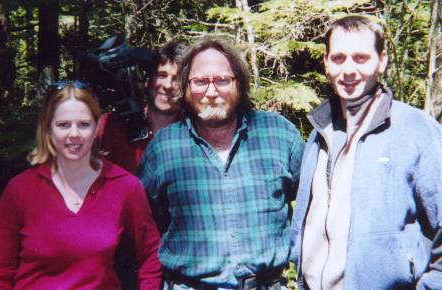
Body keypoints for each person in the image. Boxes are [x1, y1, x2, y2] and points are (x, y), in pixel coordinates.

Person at [137, 37, 305, 289]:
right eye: (200, 81)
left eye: (222, 80)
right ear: (185, 86)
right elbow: (145, 227)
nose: (212, 92)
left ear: (240, 82)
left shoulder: (279, 134)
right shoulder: (164, 147)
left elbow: (314, 209)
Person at [290, 15, 442, 290]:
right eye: (338, 58)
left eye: (360, 58)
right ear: (326, 62)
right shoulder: (319, 131)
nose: (348, 70)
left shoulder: (416, 130)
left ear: (381, 60)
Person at [0, 81, 161, 289]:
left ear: (97, 128)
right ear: (47, 128)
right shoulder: (19, 190)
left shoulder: (124, 187)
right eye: (63, 125)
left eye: (84, 124)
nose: (74, 134)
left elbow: (151, 254)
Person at [97, 40, 185, 173]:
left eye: (176, 79)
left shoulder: (194, 132)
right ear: (147, 81)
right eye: (161, 75)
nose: (168, 85)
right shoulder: (110, 126)